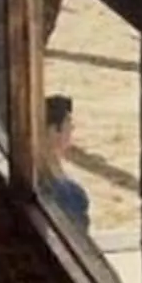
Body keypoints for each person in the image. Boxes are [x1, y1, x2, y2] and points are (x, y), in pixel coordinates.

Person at [41, 95, 92, 230]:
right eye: (68, 123)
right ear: (53, 131)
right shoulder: (48, 178)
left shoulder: (56, 167)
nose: (72, 128)